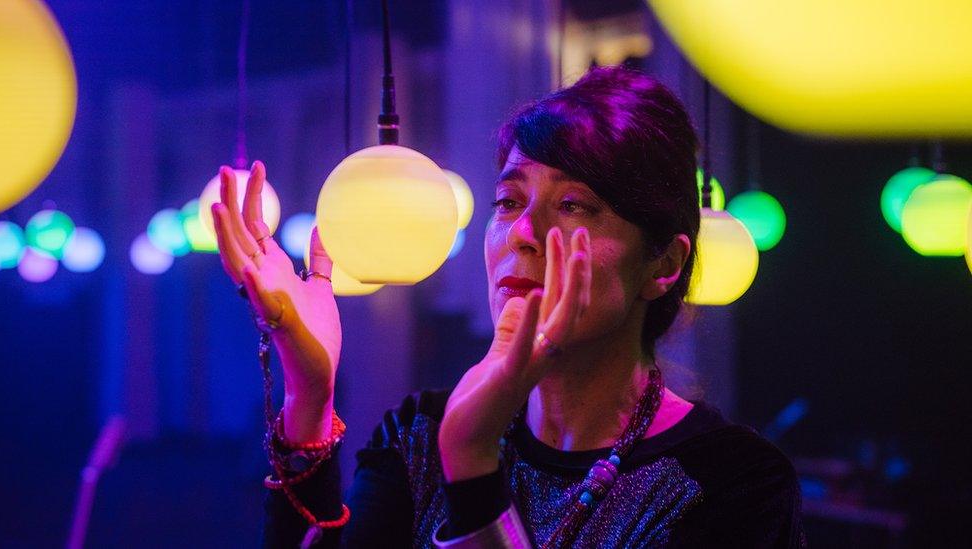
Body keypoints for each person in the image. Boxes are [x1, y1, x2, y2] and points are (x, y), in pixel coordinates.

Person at [211, 66, 805, 548]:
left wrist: (471, 467)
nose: (524, 232)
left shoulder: (734, 482)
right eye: (509, 200)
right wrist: (308, 399)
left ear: (663, 265)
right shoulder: (418, 435)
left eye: (575, 205)